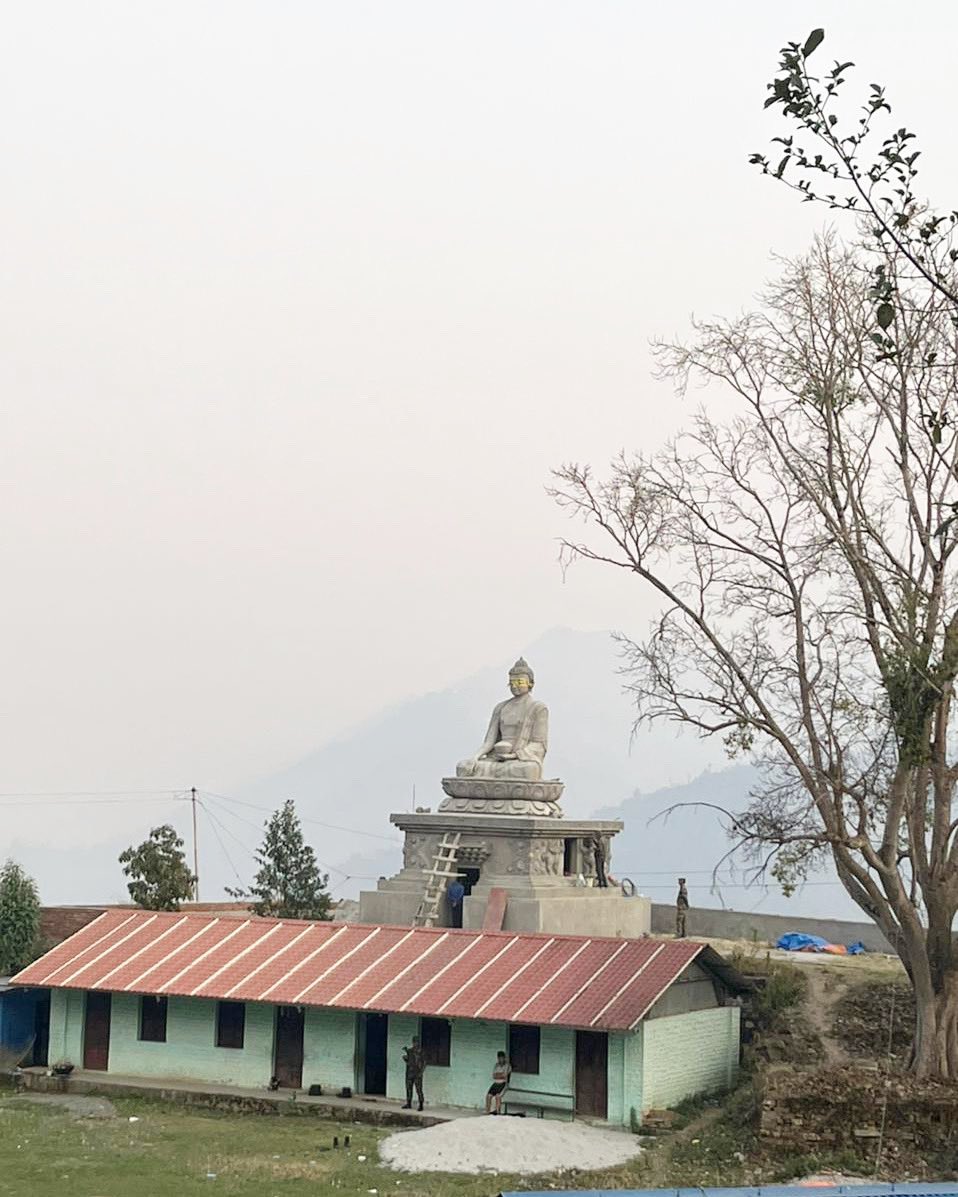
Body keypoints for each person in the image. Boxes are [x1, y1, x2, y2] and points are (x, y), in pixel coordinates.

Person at [402, 1036, 425, 1111]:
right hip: (409, 1073)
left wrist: (421, 1072)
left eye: (417, 1042)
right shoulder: (410, 1051)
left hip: (417, 1073)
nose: (415, 1043)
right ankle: (408, 1103)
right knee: (408, 1089)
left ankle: (421, 1104)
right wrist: (405, 1059)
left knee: (418, 1090)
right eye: (414, 1042)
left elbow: (424, 1063)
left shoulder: (421, 1052)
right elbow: (408, 1061)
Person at [485, 1050, 511, 1114]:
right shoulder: (496, 1065)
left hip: (503, 1083)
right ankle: (487, 1111)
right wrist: (500, 1074)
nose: (500, 1060)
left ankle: (497, 1112)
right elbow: (494, 1075)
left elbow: (504, 1076)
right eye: (499, 1058)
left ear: (504, 1058)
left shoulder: (507, 1065)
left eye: (501, 1058)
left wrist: (498, 1074)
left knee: (497, 1096)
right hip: (496, 1083)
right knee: (488, 1096)